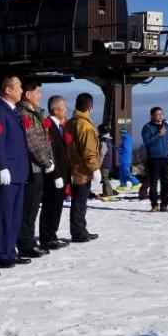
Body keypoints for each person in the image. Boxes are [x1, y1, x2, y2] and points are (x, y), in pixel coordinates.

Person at [0, 75, 30, 268]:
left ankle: (9, 250)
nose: (21, 91)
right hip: (8, 172)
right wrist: (2, 166)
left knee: (15, 215)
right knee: (4, 215)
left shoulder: (13, 111)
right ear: (8, 89)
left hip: (19, 171)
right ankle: (1, 254)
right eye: (19, 87)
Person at [16, 80, 56, 257]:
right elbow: (32, 143)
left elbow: (44, 141)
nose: (40, 95)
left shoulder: (35, 113)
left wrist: (49, 160)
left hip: (39, 167)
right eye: (37, 92)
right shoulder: (24, 113)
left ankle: (30, 240)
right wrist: (46, 162)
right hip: (32, 168)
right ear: (28, 94)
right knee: (28, 209)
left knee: (33, 208)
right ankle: (25, 243)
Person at [65, 93, 101, 242]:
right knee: (80, 203)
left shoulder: (71, 122)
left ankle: (80, 230)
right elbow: (89, 150)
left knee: (78, 203)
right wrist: (95, 168)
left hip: (72, 166)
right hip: (82, 169)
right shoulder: (85, 125)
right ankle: (78, 232)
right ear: (90, 108)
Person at [39, 94, 70, 249]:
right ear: (56, 109)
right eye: (64, 107)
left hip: (62, 173)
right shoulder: (48, 125)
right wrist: (55, 173)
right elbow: (49, 151)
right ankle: (47, 237)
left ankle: (53, 234)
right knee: (50, 206)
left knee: (57, 206)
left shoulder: (59, 126)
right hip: (53, 174)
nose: (65, 110)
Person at [97, 124, 116, 200]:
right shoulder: (108, 140)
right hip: (108, 163)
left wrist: (99, 164)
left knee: (105, 178)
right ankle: (107, 192)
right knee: (105, 178)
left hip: (104, 163)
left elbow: (102, 154)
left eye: (99, 130)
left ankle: (108, 193)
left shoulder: (104, 141)